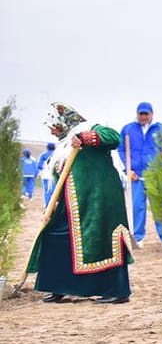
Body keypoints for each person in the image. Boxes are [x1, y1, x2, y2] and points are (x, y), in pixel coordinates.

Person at [27, 102, 134, 304]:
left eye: (54, 127)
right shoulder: (64, 147)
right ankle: (59, 287)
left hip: (99, 202)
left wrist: (85, 138)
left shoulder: (90, 129)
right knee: (54, 236)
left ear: (64, 122)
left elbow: (114, 137)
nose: (52, 132)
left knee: (105, 243)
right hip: (73, 204)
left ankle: (117, 292)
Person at [119, 102, 162, 248]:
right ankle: (138, 237)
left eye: (146, 114)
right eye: (140, 114)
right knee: (137, 207)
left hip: (155, 176)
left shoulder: (161, 129)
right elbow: (121, 151)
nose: (143, 117)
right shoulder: (128, 129)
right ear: (136, 114)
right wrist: (127, 169)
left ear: (152, 114)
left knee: (159, 207)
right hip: (135, 176)